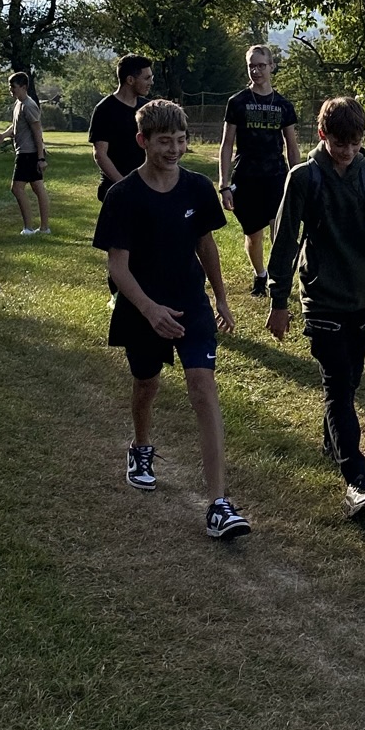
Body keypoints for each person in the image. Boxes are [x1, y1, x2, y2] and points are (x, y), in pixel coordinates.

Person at [92, 97, 249, 541]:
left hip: (190, 305)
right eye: (165, 141)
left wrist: (221, 297)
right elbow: (117, 266)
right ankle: (141, 446)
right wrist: (150, 310)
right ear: (142, 141)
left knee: (203, 389)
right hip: (143, 308)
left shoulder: (197, 188)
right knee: (146, 384)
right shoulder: (123, 196)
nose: (175, 149)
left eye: (180, 140)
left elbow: (206, 245)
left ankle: (218, 504)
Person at [266, 95, 365, 523]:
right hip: (321, 295)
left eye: (354, 142)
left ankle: (333, 440)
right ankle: (358, 482)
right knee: (338, 387)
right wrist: (278, 300)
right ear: (322, 134)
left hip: (361, 296)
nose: (347, 151)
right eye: (339, 142)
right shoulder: (304, 178)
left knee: (351, 380)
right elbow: (285, 240)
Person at [218, 44, 301, 296]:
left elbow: (292, 146)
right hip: (246, 178)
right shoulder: (237, 102)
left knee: (279, 232)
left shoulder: (284, 105)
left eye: (261, 65)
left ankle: (279, 281)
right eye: (251, 66)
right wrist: (223, 184)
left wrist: (298, 180)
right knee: (253, 235)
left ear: (272, 66)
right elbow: (227, 144)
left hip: (276, 177)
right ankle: (260, 274)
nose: (256, 71)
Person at [88, 56, 156, 202]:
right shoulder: (105, 109)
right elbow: (100, 154)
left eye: (152, 77)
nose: (151, 82)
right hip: (115, 189)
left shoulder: (148, 109)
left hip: (146, 186)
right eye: (147, 78)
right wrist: (124, 185)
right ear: (130, 80)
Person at [0, 72, 51, 235]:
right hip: (25, 152)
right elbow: (16, 125)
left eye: (13, 87)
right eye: (9, 86)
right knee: (38, 188)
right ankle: (44, 228)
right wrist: (3, 135)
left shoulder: (29, 105)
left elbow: (37, 132)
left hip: (28, 154)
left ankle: (29, 228)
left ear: (23, 87)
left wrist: (41, 158)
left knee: (17, 189)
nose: (10, 89)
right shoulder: (19, 103)